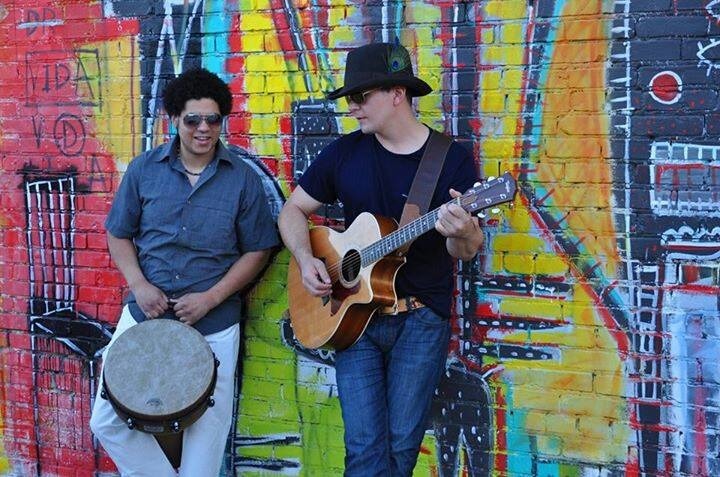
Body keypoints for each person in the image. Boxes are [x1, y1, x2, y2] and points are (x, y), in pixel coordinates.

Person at [278, 42, 484, 476]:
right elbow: (292, 210)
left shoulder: (451, 161)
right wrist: (305, 258)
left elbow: (464, 251)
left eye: (360, 96)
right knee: (363, 450)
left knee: (401, 450)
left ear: (397, 94)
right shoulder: (345, 153)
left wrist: (462, 231)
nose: (351, 107)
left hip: (420, 320)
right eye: (349, 98)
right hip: (352, 318)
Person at [90, 67, 279, 476]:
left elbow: (258, 249)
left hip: (213, 324)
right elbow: (118, 234)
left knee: (204, 444)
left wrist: (211, 298)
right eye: (193, 120)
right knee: (107, 421)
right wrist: (139, 285)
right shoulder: (144, 169)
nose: (203, 129)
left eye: (213, 119)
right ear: (174, 119)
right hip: (145, 317)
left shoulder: (242, 180)